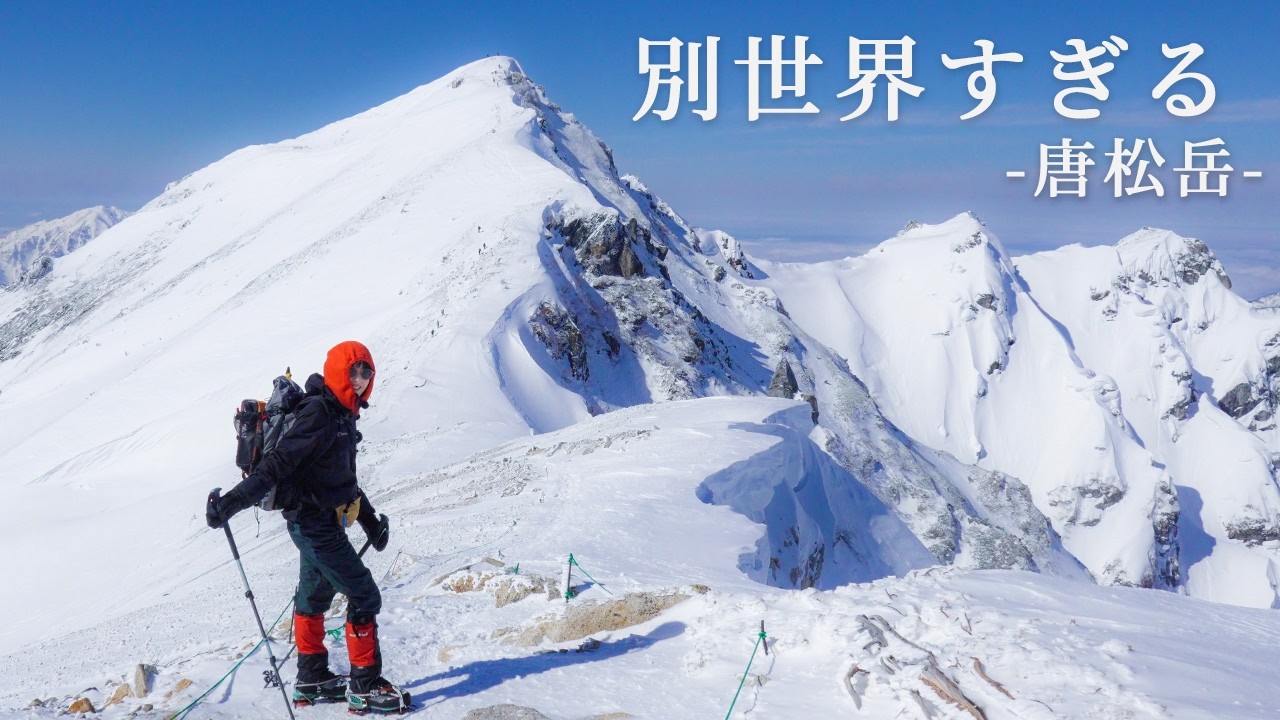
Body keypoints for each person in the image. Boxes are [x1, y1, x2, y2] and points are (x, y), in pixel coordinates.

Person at [206, 340, 408, 714]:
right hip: (314, 524)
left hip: (324, 521)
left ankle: (311, 678)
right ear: (337, 371)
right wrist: (231, 503)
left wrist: (370, 523)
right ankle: (364, 685)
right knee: (365, 596)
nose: (361, 379)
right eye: (354, 371)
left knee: (313, 599)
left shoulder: (343, 415)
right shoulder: (319, 414)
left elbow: (342, 481)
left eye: (367, 371)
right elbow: (277, 465)